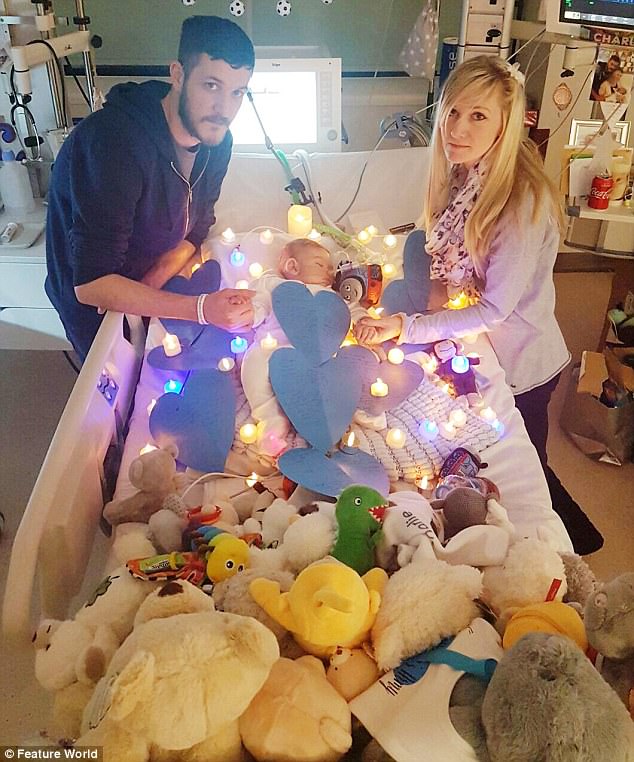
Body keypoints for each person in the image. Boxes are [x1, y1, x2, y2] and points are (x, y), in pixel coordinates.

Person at [354, 56, 603, 555]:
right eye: (452, 112)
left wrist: (405, 326)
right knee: (523, 466)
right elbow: (445, 256)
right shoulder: (466, 176)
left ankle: (570, 547)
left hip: (523, 362)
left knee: (527, 472)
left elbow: (493, 310)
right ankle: (573, 533)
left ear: (505, 125)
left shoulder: (520, 203)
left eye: (478, 116)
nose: (457, 129)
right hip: (484, 346)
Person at [45, 15, 256, 361]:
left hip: (148, 283)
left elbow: (198, 227)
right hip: (95, 310)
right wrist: (201, 309)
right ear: (178, 74)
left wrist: (148, 289)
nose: (224, 109)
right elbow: (92, 285)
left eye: (237, 92)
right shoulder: (114, 144)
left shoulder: (218, 143)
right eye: (211, 86)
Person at [241, 238, 368, 456]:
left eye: (330, 268)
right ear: (293, 266)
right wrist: (251, 315)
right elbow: (258, 303)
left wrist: (364, 323)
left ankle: (344, 417)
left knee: (345, 373)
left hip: (319, 358)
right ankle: (271, 419)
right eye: (320, 264)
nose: (329, 272)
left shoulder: (331, 295)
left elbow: (351, 311)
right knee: (252, 364)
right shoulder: (274, 284)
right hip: (274, 348)